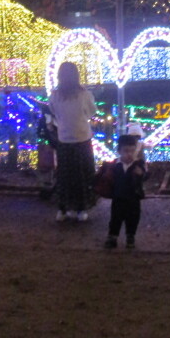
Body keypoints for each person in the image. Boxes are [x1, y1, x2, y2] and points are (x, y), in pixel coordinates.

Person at [48, 61, 98, 222]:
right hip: (82, 138)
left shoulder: (55, 95)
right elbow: (91, 112)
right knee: (82, 175)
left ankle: (63, 209)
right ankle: (81, 209)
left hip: (63, 139)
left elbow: (53, 112)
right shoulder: (84, 94)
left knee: (65, 175)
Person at [103, 135, 148, 250]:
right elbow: (107, 178)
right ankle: (112, 236)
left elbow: (147, 175)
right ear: (119, 151)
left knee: (133, 218)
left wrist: (141, 174)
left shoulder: (139, 164)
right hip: (118, 197)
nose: (130, 154)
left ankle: (130, 236)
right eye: (126, 151)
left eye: (132, 151)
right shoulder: (115, 165)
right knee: (115, 218)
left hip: (134, 197)